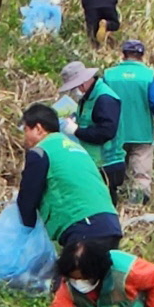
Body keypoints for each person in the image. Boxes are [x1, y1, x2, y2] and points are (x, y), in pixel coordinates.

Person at [17, 104, 122, 249]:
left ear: (39, 128)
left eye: (26, 130)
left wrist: (25, 236)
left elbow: (28, 198)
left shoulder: (41, 152)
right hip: (110, 222)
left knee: (70, 271)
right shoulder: (77, 148)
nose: (24, 137)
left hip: (83, 225)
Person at [103, 40, 154, 205]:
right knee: (141, 173)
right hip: (141, 133)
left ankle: (112, 201)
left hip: (114, 133)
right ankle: (136, 206)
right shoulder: (148, 75)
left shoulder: (109, 75)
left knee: (114, 168)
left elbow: (101, 101)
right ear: (142, 56)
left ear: (123, 54)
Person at [58, 61, 126, 206]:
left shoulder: (104, 99)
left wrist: (76, 130)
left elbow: (106, 132)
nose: (74, 92)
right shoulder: (88, 97)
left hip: (107, 164)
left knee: (103, 206)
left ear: (82, 84)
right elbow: (89, 120)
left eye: (74, 88)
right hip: (94, 161)